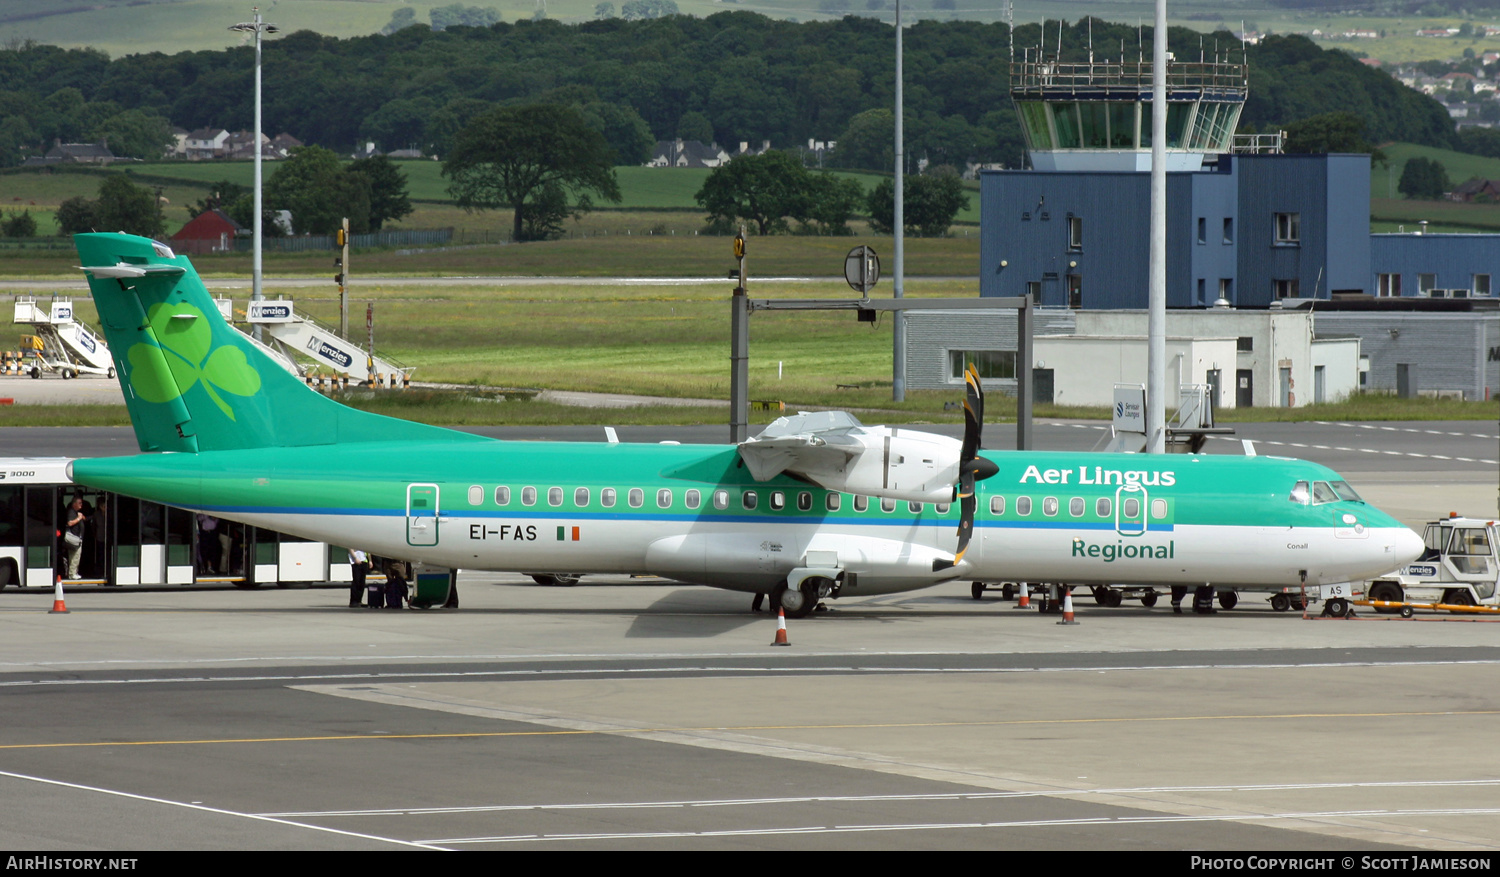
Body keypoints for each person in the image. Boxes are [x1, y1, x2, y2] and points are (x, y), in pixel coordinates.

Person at [62, 497, 87, 580]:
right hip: (74, 539)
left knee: (74, 556)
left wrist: (81, 517)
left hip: (77, 538)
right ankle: (72, 574)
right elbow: (69, 523)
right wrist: (79, 518)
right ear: (74, 504)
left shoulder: (76, 512)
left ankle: (74, 572)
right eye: (79, 503)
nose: (81, 505)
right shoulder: (71, 512)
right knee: (75, 556)